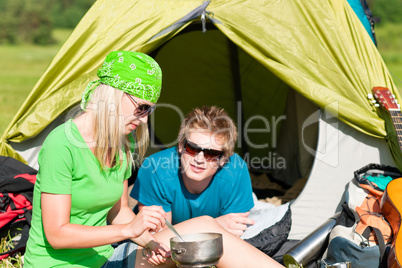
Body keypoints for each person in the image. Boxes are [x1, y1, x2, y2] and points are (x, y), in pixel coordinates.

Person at [24, 51, 284, 268]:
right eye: (141, 108)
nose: (145, 119)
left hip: (103, 258)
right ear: (114, 95)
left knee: (207, 229)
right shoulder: (63, 144)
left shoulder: (123, 141)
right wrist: (130, 231)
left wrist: (150, 242)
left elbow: (119, 211)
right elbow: (57, 234)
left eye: (150, 110)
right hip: (56, 264)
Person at [131, 106, 256, 237]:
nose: (199, 159)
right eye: (192, 148)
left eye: (211, 153)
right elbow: (159, 238)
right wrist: (212, 226)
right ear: (180, 145)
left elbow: (234, 233)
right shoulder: (155, 168)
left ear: (224, 159)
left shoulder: (237, 171)